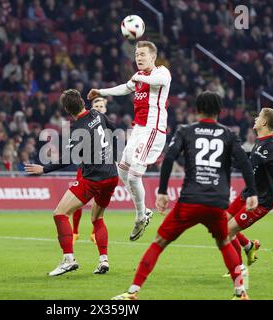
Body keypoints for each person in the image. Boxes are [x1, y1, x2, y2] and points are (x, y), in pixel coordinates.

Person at [112, 91, 258, 300]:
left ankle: (133, 291)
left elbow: (169, 158)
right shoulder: (228, 134)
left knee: (159, 242)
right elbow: (244, 162)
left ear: (197, 110)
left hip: (190, 201)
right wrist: (252, 191)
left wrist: (162, 191)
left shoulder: (186, 131)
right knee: (225, 242)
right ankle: (240, 292)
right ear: (220, 111)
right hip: (217, 202)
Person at [25, 89, 118, 276]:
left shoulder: (77, 129)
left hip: (94, 178)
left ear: (68, 110)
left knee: (59, 214)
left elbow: (68, 158)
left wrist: (44, 169)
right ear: (83, 102)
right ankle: (104, 260)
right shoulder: (96, 114)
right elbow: (114, 131)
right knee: (97, 218)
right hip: (112, 175)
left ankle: (68, 259)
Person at [88, 40, 171, 241]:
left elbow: (155, 81)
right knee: (122, 171)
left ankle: (140, 217)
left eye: (143, 54)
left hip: (153, 130)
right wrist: (101, 92)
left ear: (152, 57)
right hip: (138, 129)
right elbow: (125, 88)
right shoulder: (139, 77)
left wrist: (138, 76)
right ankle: (144, 213)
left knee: (134, 177)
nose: (139, 58)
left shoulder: (162, 73)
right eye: (136, 54)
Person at [225, 108, 273, 271]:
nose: (256, 119)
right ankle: (249, 247)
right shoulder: (260, 141)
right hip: (248, 194)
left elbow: (250, 166)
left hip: (261, 201)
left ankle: (238, 267)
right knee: (221, 223)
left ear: (264, 122)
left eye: (259, 117)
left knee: (226, 231)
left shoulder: (271, 145)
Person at [72, 96, 108, 245]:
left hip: (103, 169)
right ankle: (75, 232)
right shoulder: (85, 122)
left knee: (99, 204)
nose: (99, 108)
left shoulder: (105, 124)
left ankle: (94, 232)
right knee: (77, 202)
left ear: (105, 109)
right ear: (91, 108)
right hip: (86, 168)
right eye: (96, 105)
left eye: (102, 106)